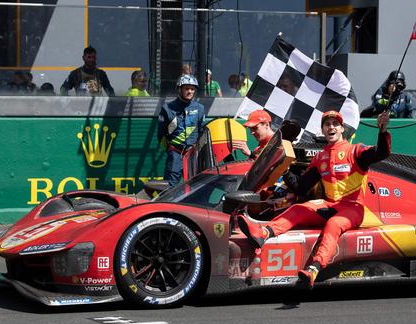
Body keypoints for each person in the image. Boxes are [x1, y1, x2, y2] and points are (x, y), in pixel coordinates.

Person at [237, 110, 391, 288]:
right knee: (299, 208)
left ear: (342, 129)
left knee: (333, 224)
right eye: (327, 124)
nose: (331, 127)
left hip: (353, 208)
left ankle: (314, 269)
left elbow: (381, 153)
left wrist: (382, 130)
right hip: (330, 204)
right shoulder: (320, 157)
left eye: (335, 124)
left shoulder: (355, 150)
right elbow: (300, 188)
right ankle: (264, 233)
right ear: (323, 130)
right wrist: (284, 170)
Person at [157, 74, 205, 186]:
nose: (190, 91)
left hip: (193, 155)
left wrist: (197, 150)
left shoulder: (200, 108)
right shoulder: (167, 108)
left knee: (195, 187)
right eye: (187, 88)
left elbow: (202, 132)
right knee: (169, 187)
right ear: (179, 89)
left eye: (192, 89)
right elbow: (160, 134)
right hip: (175, 154)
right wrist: (170, 150)